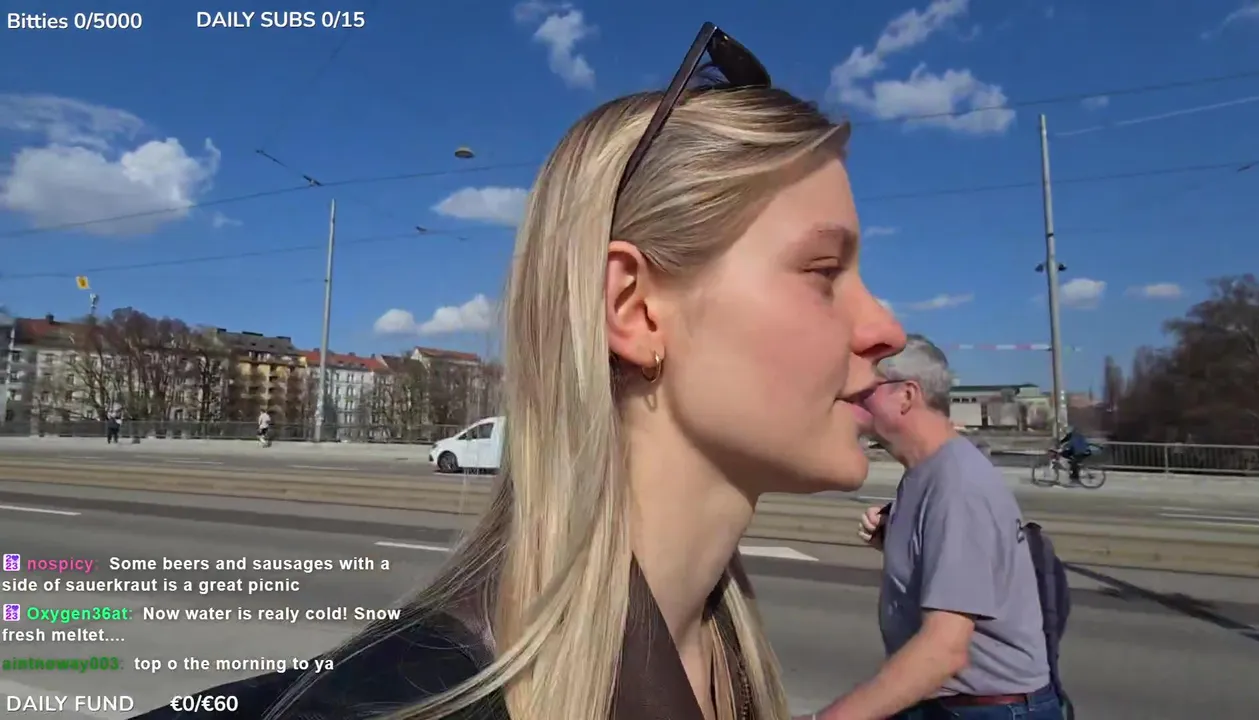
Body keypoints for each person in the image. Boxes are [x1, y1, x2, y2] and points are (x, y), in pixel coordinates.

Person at [134, 21, 904, 720]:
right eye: (823, 271)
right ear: (633, 308)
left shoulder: (726, 661)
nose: (885, 329)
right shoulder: (378, 705)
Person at [814, 335, 1060, 720]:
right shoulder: (929, 472)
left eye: (865, 391)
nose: (852, 401)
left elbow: (943, 651)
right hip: (955, 704)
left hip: (985, 711)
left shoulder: (956, 484)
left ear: (906, 396)